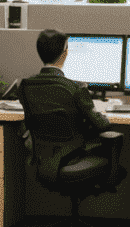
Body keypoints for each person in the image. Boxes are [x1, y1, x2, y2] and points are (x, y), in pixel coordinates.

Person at [11, 28, 113, 157]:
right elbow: (101, 125)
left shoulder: (25, 85)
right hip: (72, 155)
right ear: (64, 54)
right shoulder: (76, 87)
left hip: (41, 156)